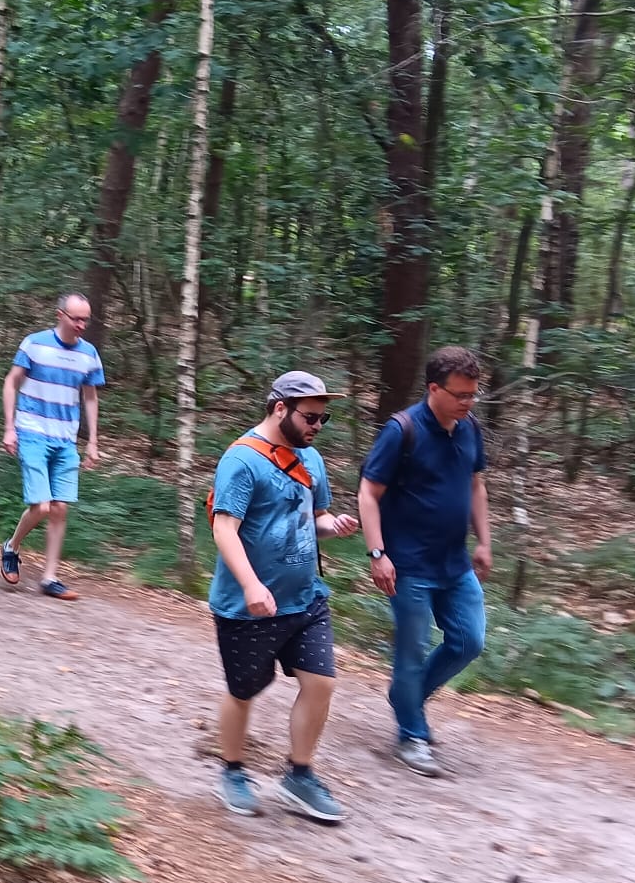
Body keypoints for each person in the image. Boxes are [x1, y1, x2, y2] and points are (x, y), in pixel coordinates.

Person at [207, 372, 361, 821]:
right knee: (244, 691)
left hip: (305, 599)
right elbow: (224, 528)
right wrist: (252, 585)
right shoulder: (241, 460)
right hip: (247, 606)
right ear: (280, 409)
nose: (317, 426)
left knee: (322, 683)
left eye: (323, 418)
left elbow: (315, 517)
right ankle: (233, 771)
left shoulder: (311, 460)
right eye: (311, 417)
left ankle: (299, 775)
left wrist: (333, 525)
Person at [358, 344, 492, 778]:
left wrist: (485, 541)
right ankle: (411, 736)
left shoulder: (469, 428)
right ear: (434, 388)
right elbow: (368, 494)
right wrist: (377, 553)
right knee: (411, 651)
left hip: (455, 565)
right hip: (409, 565)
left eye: (473, 394)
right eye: (460, 395)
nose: (468, 403)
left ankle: (405, 699)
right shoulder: (402, 430)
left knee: (469, 641)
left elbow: (476, 487)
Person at [0, 293, 106, 600]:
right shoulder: (34, 344)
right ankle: (12, 546)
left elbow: (90, 397)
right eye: (76, 318)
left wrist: (93, 441)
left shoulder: (89, 354)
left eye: (86, 319)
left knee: (59, 509)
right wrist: (9, 428)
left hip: (66, 438)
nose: (82, 325)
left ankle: (49, 577)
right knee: (42, 506)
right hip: (32, 432)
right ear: (60, 315)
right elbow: (11, 382)